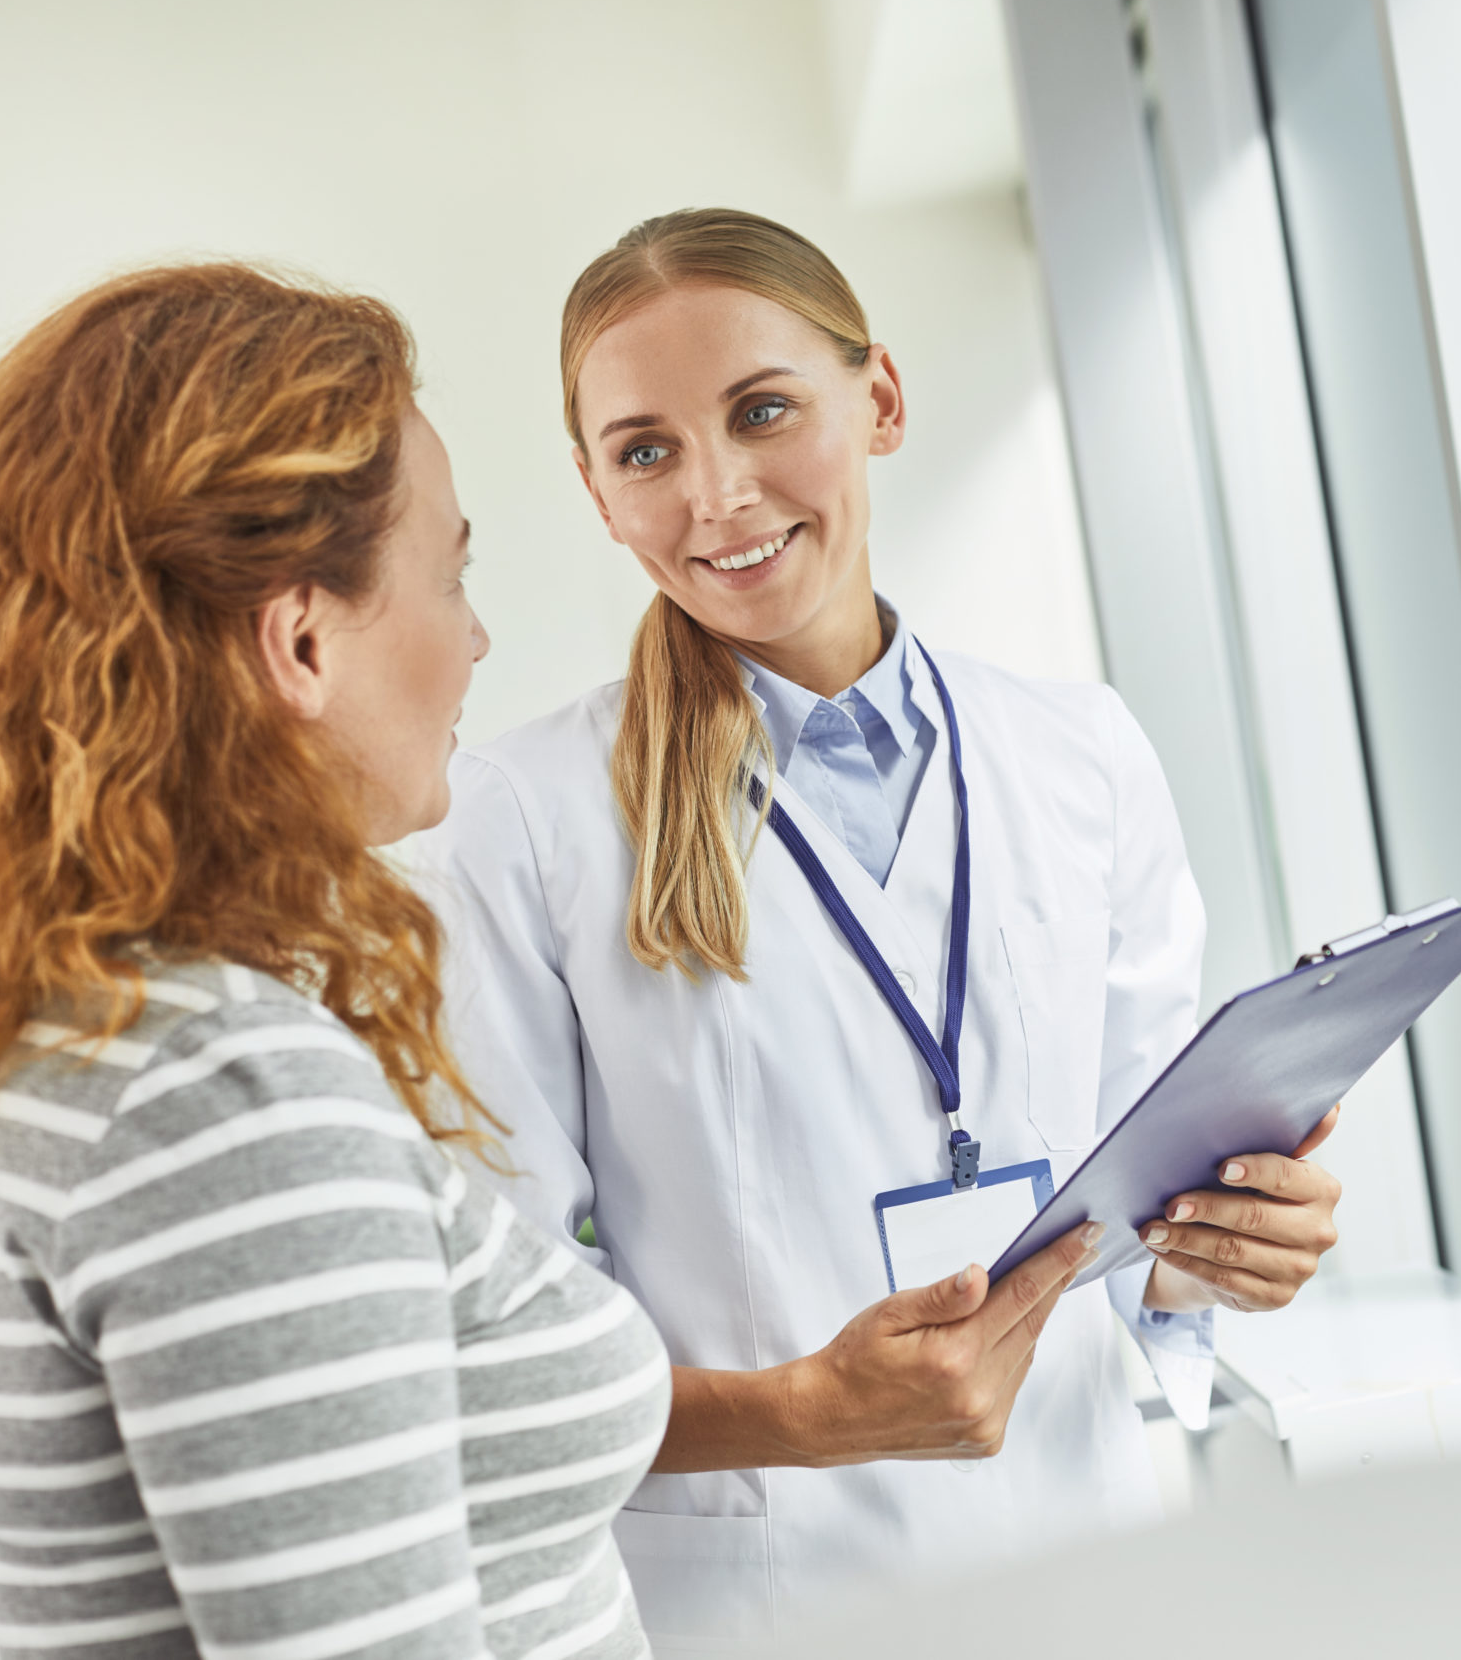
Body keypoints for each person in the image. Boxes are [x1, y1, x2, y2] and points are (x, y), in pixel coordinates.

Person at [416, 208, 1344, 1644]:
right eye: (645, 450)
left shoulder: (1082, 755)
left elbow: (1141, 1197)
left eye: (763, 411)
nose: (717, 494)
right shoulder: (520, 818)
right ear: (599, 496)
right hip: (771, 1603)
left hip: (1089, 1566)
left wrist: (1229, 1243)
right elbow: (507, 1345)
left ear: (883, 402)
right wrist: (800, 1417)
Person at [0, 264, 671, 1659]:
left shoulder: (126, 1043)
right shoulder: (220, 1095)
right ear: (300, 637)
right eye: (449, 574)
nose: (475, 638)